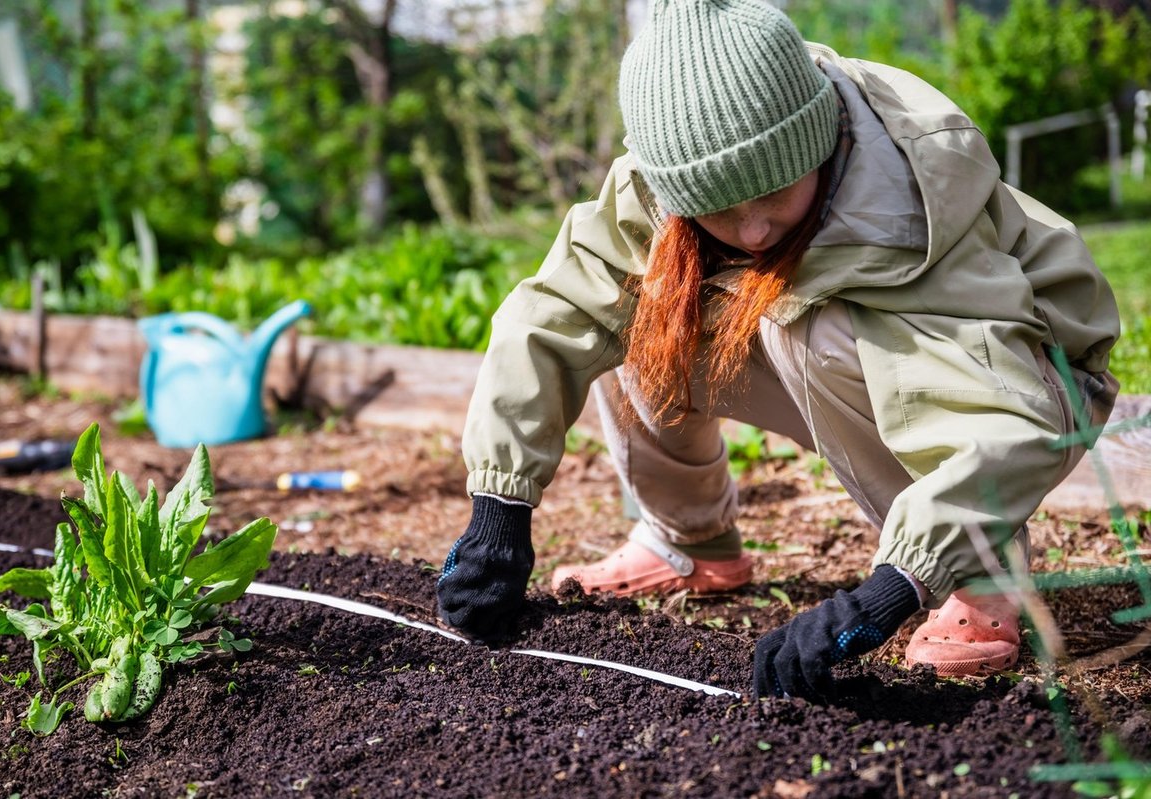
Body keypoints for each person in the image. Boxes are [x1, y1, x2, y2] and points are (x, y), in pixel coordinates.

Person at [435, 0, 1120, 702]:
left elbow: (1011, 422)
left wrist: (891, 588)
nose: (755, 229)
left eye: (774, 191)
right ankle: (688, 542)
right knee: (643, 304)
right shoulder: (663, 183)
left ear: (817, 140)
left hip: (1030, 380)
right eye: (721, 208)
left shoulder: (907, 210)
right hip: (876, 363)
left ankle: (980, 577)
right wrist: (499, 508)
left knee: (808, 332)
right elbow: (550, 313)